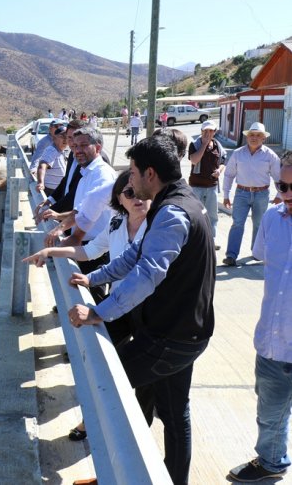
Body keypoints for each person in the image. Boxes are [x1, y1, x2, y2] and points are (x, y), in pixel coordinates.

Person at [67, 135, 215, 484]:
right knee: (174, 414)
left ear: (150, 173)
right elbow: (135, 256)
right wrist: (94, 279)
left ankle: (113, 476)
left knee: (108, 390)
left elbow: (147, 275)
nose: (128, 181)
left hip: (173, 336)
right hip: (182, 330)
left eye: (132, 173)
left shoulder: (173, 213)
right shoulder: (176, 202)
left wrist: (100, 312)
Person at [24, 171, 151, 440]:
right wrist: (49, 251)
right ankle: (91, 419)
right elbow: (89, 251)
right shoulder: (117, 223)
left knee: (142, 380)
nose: (137, 199)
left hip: (149, 312)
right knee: (99, 360)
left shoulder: (158, 228)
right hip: (119, 307)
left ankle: (134, 446)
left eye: (142, 193)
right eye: (129, 194)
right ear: (119, 199)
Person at [228, 151, 292, 482]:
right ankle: (271, 461)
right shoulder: (271, 218)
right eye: (282, 186)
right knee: (270, 414)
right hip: (274, 343)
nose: (287, 195)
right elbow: (263, 258)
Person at [42, 126, 117, 303]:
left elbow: (84, 214)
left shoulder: (102, 175)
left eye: (83, 145)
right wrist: (60, 224)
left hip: (97, 248)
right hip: (85, 244)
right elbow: (80, 210)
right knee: (76, 291)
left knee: (92, 297)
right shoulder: (86, 172)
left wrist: (61, 230)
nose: (77, 150)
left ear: (97, 148)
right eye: (74, 146)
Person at [221, 122, 281, 266]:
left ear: (263, 138)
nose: (254, 138)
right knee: (237, 223)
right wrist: (226, 195)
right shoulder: (238, 153)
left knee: (259, 224)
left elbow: (278, 177)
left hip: (262, 194)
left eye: (258, 135)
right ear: (247, 137)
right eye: (251, 135)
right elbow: (229, 175)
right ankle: (231, 255)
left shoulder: (270, 155)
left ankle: (256, 253)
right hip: (241, 193)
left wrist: (280, 195)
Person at [188, 120, 226, 250]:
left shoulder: (218, 146)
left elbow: (223, 162)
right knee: (196, 215)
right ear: (201, 131)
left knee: (212, 216)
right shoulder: (195, 144)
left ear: (214, 132)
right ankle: (196, 242)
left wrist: (219, 171)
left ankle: (211, 241)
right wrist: (204, 145)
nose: (208, 133)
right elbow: (194, 160)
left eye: (211, 131)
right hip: (196, 186)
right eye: (205, 131)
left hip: (212, 186)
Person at [35, 126, 69, 196]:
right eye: (62, 136)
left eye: (67, 137)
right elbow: (42, 165)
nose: (65, 139)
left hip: (57, 190)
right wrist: (40, 182)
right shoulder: (52, 150)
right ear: (54, 138)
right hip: (51, 192)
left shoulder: (60, 151)